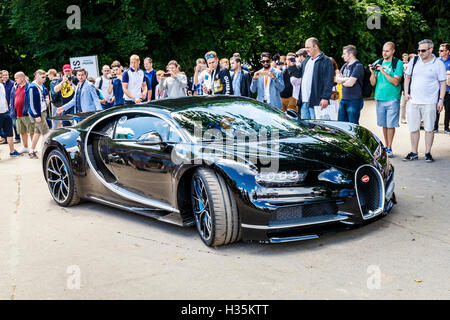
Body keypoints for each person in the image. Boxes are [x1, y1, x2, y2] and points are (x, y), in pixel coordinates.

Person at [403, 39, 447, 163]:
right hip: (413, 101)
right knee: (413, 128)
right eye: (419, 50)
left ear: (431, 49)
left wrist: (440, 100)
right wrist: (406, 93)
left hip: (430, 102)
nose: (420, 53)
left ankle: (427, 153)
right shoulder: (414, 61)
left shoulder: (438, 64)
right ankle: (414, 152)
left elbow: (443, 83)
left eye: (423, 50)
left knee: (429, 129)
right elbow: (407, 77)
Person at [369, 41, 403, 158]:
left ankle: (389, 147)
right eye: (383, 50)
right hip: (379, 98)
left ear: (393, 51)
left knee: (390, 125)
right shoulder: (378, 62)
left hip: (393, 98)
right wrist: (373, 73)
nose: (384, 53)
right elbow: (373, 83)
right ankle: (386, 146)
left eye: (387, 50)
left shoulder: (397, 63)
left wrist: (383, 71)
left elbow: (396, 81)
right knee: (384, 124)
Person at [289, 38, 334, 119]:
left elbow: (328, 81)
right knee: (305, 127)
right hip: (304, 101)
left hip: (317, 101)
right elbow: (298, 74)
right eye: (306, 48)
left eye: (308, 47)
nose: (306, 50)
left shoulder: (325, 61)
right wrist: (292, 66)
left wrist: (325, 97)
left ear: (315, 46)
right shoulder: (306, 60)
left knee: (317, 128)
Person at [336, 45, 364, 124]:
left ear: (351, 54)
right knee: (341, 125)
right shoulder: (345, 65)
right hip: (343, 99)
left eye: (344, 54)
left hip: (354, 101)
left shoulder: (358, 66)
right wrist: (348, 78)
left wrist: (344, 80)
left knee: (353, 126)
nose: (342, 56)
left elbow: (350, 84)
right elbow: (337, 79)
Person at [26, 69, 50, 159]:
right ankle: (47, 152)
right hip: (37, 113)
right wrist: (36, 115)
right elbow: (31, 103)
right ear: (36, 76)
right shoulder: (32, 87)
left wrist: (47, 99)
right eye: (42, 77)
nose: (44, 79)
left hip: (42, 111)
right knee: (46, 133)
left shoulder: (41, 85)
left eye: (45, 77)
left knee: (37, 133)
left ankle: (31, 150)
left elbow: (45, 93)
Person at [10, 72, 34, 154]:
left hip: (27, 114)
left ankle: (33, 148)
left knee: (31, 131)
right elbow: (12, 99)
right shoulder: (15, 87)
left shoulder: (29, 87)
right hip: (18, 113)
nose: (15, 80)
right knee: (22, 131)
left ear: (22, 78)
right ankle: (25, 147)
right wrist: (12, 110)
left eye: (16, 78)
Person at [0, 76, 22, 158]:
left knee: (10, 133)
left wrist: (6, 108)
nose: (1, 78)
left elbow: (4, 98)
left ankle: (12, 151)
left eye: (1, 77)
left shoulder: (2, 85)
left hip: (5, 113)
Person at [433, 43, 450, 133]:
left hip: (448, 90)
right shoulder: (436, 61)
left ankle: (446, 128)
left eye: (442, 50)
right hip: (437, 90)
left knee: (448, 110)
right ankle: (435, 127)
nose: (439, 52)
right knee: (437, 109)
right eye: (439, 50)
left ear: (448, 52)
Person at [399, 53, 410, 123]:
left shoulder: (410, 64)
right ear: (402, 58)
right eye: (404, 57)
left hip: (409, 86)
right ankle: (402, 118)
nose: (405, 58)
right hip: (403, 85)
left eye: (406, 57)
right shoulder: (400, 65)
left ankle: (409, 118)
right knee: (403, 104)